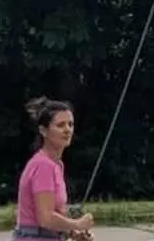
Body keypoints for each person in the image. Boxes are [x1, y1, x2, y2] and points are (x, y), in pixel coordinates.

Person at [13, 98, 95, 241]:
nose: (67, 130)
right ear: (43, 131)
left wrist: (72, 232)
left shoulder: (56, 165)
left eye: (70, 124)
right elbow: (45, 218)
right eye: (60, 125)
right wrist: (77, 224)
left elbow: (54, 215)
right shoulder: (43, 165)